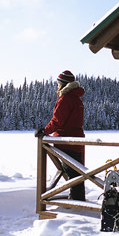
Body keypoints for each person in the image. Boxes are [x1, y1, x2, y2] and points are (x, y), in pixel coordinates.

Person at [35, 70, 85, 201]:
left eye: (58, 84)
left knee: (72, 174)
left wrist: (44, 131)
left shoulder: (65, 99)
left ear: (64, 85)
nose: (57, 86)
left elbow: (57, 121)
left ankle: (76, 204)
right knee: (77, 174)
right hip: (77, 140)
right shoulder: (77, 99)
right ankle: (78, 200)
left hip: (66, 142)